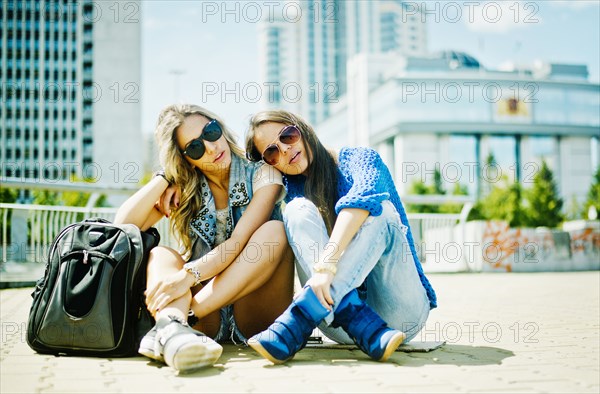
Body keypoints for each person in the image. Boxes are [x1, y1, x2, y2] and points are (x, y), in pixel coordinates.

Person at [244, 110, 437, 364]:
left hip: (401, 313)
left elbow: (360, 200)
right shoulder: (294, 196)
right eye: (272, 152)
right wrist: (172, 178)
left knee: (383, 210)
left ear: (301, 129)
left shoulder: (360, 159)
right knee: (295, 210)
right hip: (339, 325)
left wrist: (326, 266)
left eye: (287, 136)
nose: (285, 150)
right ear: (271, 164)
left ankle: (300, 318)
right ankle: (348, 310)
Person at [114, 104, 294, 373]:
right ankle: (174, 333)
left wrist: (188, 276)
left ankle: (172, 324)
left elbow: (239, 241)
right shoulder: (185, 190)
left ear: (219, 126)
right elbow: (123, 227)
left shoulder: (263, 173)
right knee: (161, 254)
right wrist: (165, 177)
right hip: (206, 319)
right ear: (186, 158)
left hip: (256, 311)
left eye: (211, 132)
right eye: (195, 148)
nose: (211, 147)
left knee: (274, 233)